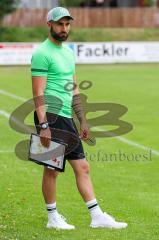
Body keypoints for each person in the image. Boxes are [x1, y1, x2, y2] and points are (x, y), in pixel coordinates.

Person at [31, 6, 128, 230]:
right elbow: (37, 93)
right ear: (49, 25)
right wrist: (43, 124)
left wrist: (82, 119)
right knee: (51, 169)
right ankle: (52, 218)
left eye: (67, 24)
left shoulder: (68, 53)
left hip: (66, 118)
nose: (64, 28)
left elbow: (73, 88)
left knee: (82, 167)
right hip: (50, 117)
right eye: (59, 24)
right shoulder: (42, 53)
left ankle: (97, 216)